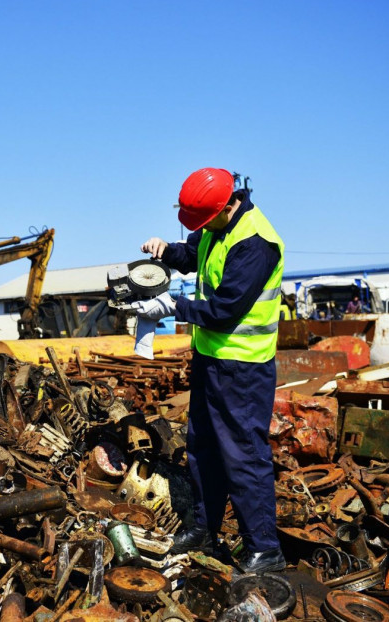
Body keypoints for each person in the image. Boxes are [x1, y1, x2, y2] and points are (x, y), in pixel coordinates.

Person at [135, 167, 286, 573]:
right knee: (203, 448)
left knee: (244, 455)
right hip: (211, 360)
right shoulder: (217, 227)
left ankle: (265, 549)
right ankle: (206, 528)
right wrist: (166, 250)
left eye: (203, 222)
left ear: (224, 206)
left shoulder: (255, 243)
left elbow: (223, 310)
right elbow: (192, 254)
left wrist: (175, 307)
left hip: (244, 368)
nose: (198, 230)